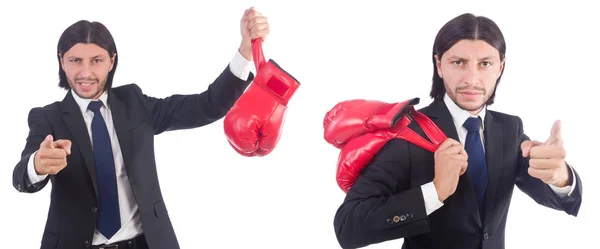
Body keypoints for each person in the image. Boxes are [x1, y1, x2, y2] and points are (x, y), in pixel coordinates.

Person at [12, 7, 269, 249]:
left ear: (111, 62)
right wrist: (37, 165)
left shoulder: (134, 103)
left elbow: (205, 106)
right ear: (62, 61)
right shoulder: (48, 117)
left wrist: (245, 51)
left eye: (96, 60)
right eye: (75, 60)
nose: (85, 72)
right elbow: (20, 176)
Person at [332, 13, 582, 249]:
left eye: (485, 63)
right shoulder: (408, 132)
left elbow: (563, 198)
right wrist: (436, 191)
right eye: (458, 62)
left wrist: (561, 178)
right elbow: (347, 227)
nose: (471, 79)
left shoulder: (510, 129)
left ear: (500, 67)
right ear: (439, 65)